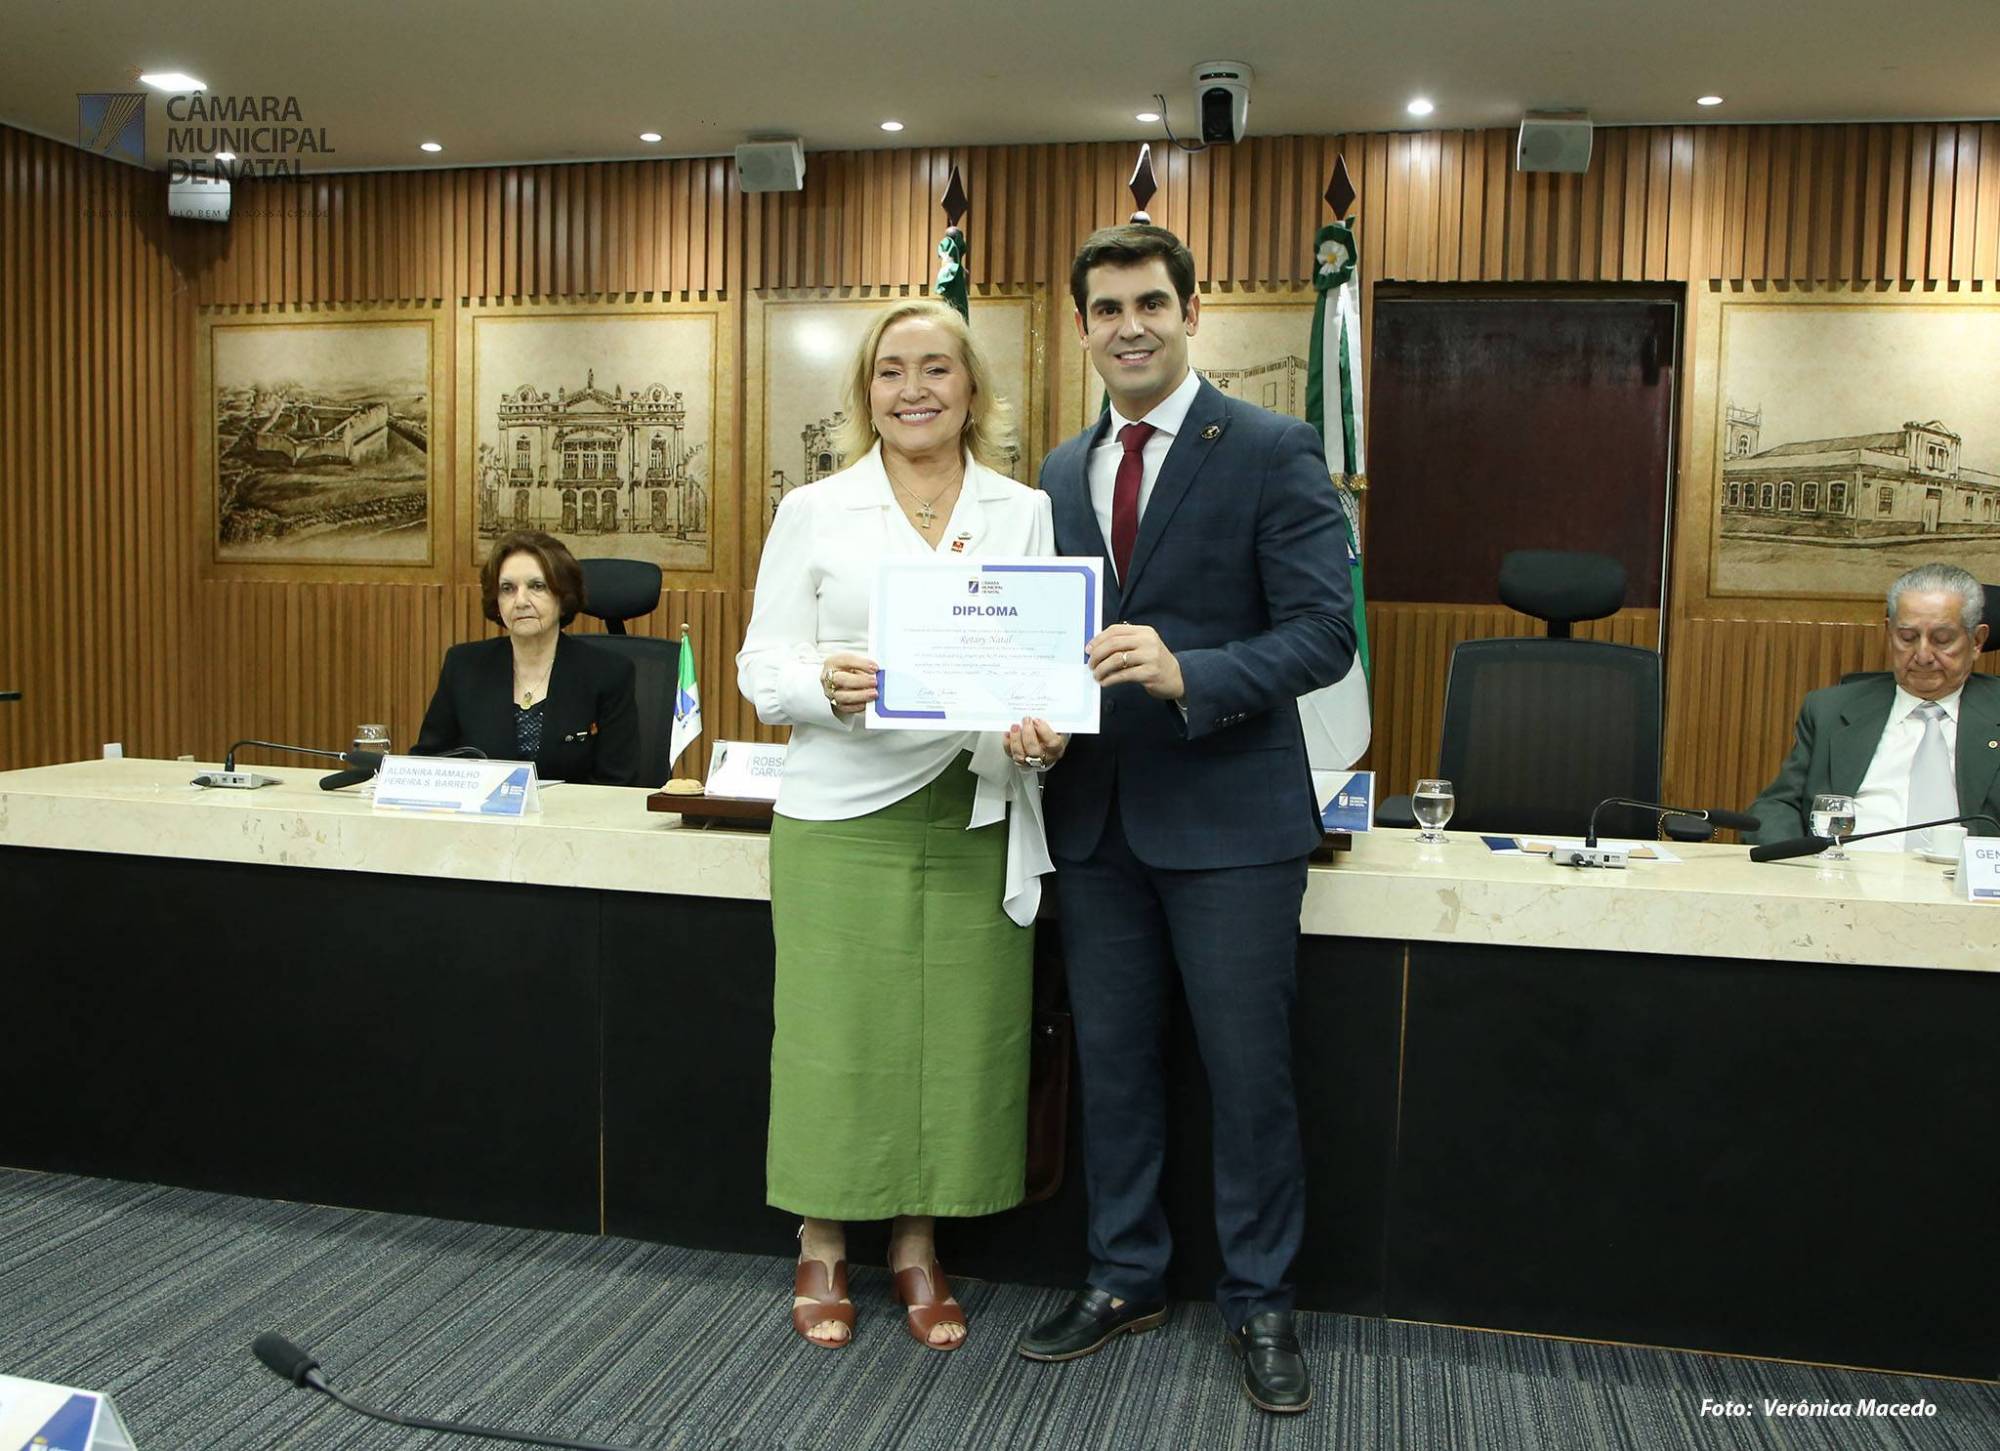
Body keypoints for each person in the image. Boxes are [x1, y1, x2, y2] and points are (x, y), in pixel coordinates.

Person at [1008, 225, 1354, 1415]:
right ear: (1080, 327)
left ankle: (1259, 1298)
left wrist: (1189, 668)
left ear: (1191, 311)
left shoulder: (1269, 446)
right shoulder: (1056, 473)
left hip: (1232, 824)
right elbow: (1041, 643)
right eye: (1105, 308)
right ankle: (1125, 1274)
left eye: (1150, 301)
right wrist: (1030, 712)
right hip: (1094, 822)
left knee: (1246, 1074)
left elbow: (1323, 631)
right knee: (1112, 1066)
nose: (1129, 325)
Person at [736, 299, 1054, 1352]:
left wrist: (1043, 732)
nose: (912, 389)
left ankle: (916, 1243)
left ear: (972, 389)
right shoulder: (816, 510)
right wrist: (820, 681)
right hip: (841, 811)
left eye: (935, 369)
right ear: (863, 392)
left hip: (971, 810)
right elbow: (757, 670)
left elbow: (1039, 665)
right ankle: (821, 1236)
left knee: (955, 1040)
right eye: (889, 372)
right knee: (837, 1037)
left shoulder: (1022, 508)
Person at [1748, 561, 1996, 849]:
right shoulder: (1830, 710)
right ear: (1889, 632)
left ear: (1977, 641)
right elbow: (1777, 806)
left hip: (1967, 887)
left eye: (1942, 640)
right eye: (1907, 638)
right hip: (1844, 882)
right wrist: (1797, 872)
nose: (1923, 655)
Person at [412, 530, 639, 786]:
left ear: (563, 597)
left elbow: (618, 783)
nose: (520, 601)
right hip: (482, 822)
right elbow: (427, 763)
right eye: (507, 589)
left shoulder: (609, 673)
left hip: (574, 822)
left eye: (537, 586)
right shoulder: (464, 666)